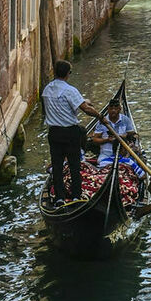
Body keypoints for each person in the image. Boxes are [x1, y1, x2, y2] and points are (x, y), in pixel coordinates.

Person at [42, 61, 100, 205]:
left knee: (57, 166)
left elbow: (59, 104)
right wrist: (101, 117)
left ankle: (60, 198)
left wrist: (83, 100)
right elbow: (86, 109)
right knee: (74, 165)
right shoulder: (70, 90)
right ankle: (76, 196)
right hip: (70, 133)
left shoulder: (46, 90)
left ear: (55, 72)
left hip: (54, 133)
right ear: (68, 74)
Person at [95, 99, 143, 179]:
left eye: (116, 108)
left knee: (131, 166)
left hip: (123, 154)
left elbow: (132, 135)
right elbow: (95, 139)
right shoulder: (102, 122)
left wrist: (124, 136)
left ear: (120, 109)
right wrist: (107, 140)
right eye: (111, 108)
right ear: (108, 109)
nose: (113, 110)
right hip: (106, 154)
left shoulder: (125, 120)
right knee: (100, 164)